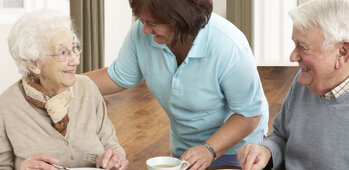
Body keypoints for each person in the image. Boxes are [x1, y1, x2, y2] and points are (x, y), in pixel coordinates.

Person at [86, 0, 269, 169]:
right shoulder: (141, 35)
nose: (145, 30)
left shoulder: (229, 45)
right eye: (142, 20)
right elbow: (117, 76)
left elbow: (249, 114)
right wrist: (66, 81)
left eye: (153, 23)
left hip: (237, 151)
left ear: (180, 19)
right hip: (186, 149)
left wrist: (209, 149)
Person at [0, 11, 128, 170]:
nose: (75, 60)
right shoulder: (6, 106)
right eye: (63, 53)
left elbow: (111, 144)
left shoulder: (87, 88)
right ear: (34, 64)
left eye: (75, 48)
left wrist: (116, 158)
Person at [237, 0, 349, 169]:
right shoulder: (305, 82)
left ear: (342, 52)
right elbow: (281, 135)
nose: (292, 56)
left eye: (302, 46)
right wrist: (266, 150)